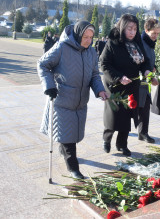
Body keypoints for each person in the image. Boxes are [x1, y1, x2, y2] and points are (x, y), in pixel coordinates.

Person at [37, 21, 109, 179]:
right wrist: (49, 86)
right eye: (85, 37)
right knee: (67, 136)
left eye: (91, 37)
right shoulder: (62, 47)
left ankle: (64, 151)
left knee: (72, 134)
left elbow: (95, 75)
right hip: (62, 99)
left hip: (80, 101)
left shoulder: (90, 52)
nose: (89, 41)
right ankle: (73, 167)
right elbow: (42, 64)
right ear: (77, 34)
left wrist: (100, 90)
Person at [100, 14, 153, 156]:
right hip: (115, 85)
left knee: (128, 114)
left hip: (131, 85)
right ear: (122, 27)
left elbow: (144, 61)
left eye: (135, 29)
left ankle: (122, 144)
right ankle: (107, 139)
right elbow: (104, 64)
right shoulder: (113, 43)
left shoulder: (137, 42)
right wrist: (118, 78)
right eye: (129, 28)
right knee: (114, 114)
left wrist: (147, 70)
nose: (132, 32)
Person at [137, 18, 160, 143]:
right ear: (146, 30)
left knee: (145, 107)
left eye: (158, 33)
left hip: (145, 80)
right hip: (138, 80)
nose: (156, 36)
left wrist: (153, 66)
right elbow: (140, 61)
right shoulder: (141, 42)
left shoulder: (150, 43)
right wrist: (150, 76)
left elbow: (149, 59)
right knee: (138, 107)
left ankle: (143, 133)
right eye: (154, 33)